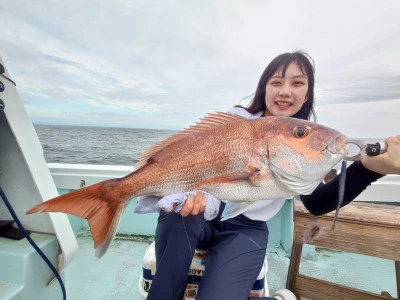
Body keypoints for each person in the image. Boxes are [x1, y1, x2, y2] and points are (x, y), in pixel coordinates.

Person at [146, 51, 400, 300]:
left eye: (297, 83)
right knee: (175, 214)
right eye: (276, 82)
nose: (285, 91)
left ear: (307, 93)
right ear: (264, 88)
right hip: (200, 217)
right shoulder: (235, 123)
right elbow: (185, 163)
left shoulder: (302, 141)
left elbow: (316, 202)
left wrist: (369, 169)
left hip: (247, 230)